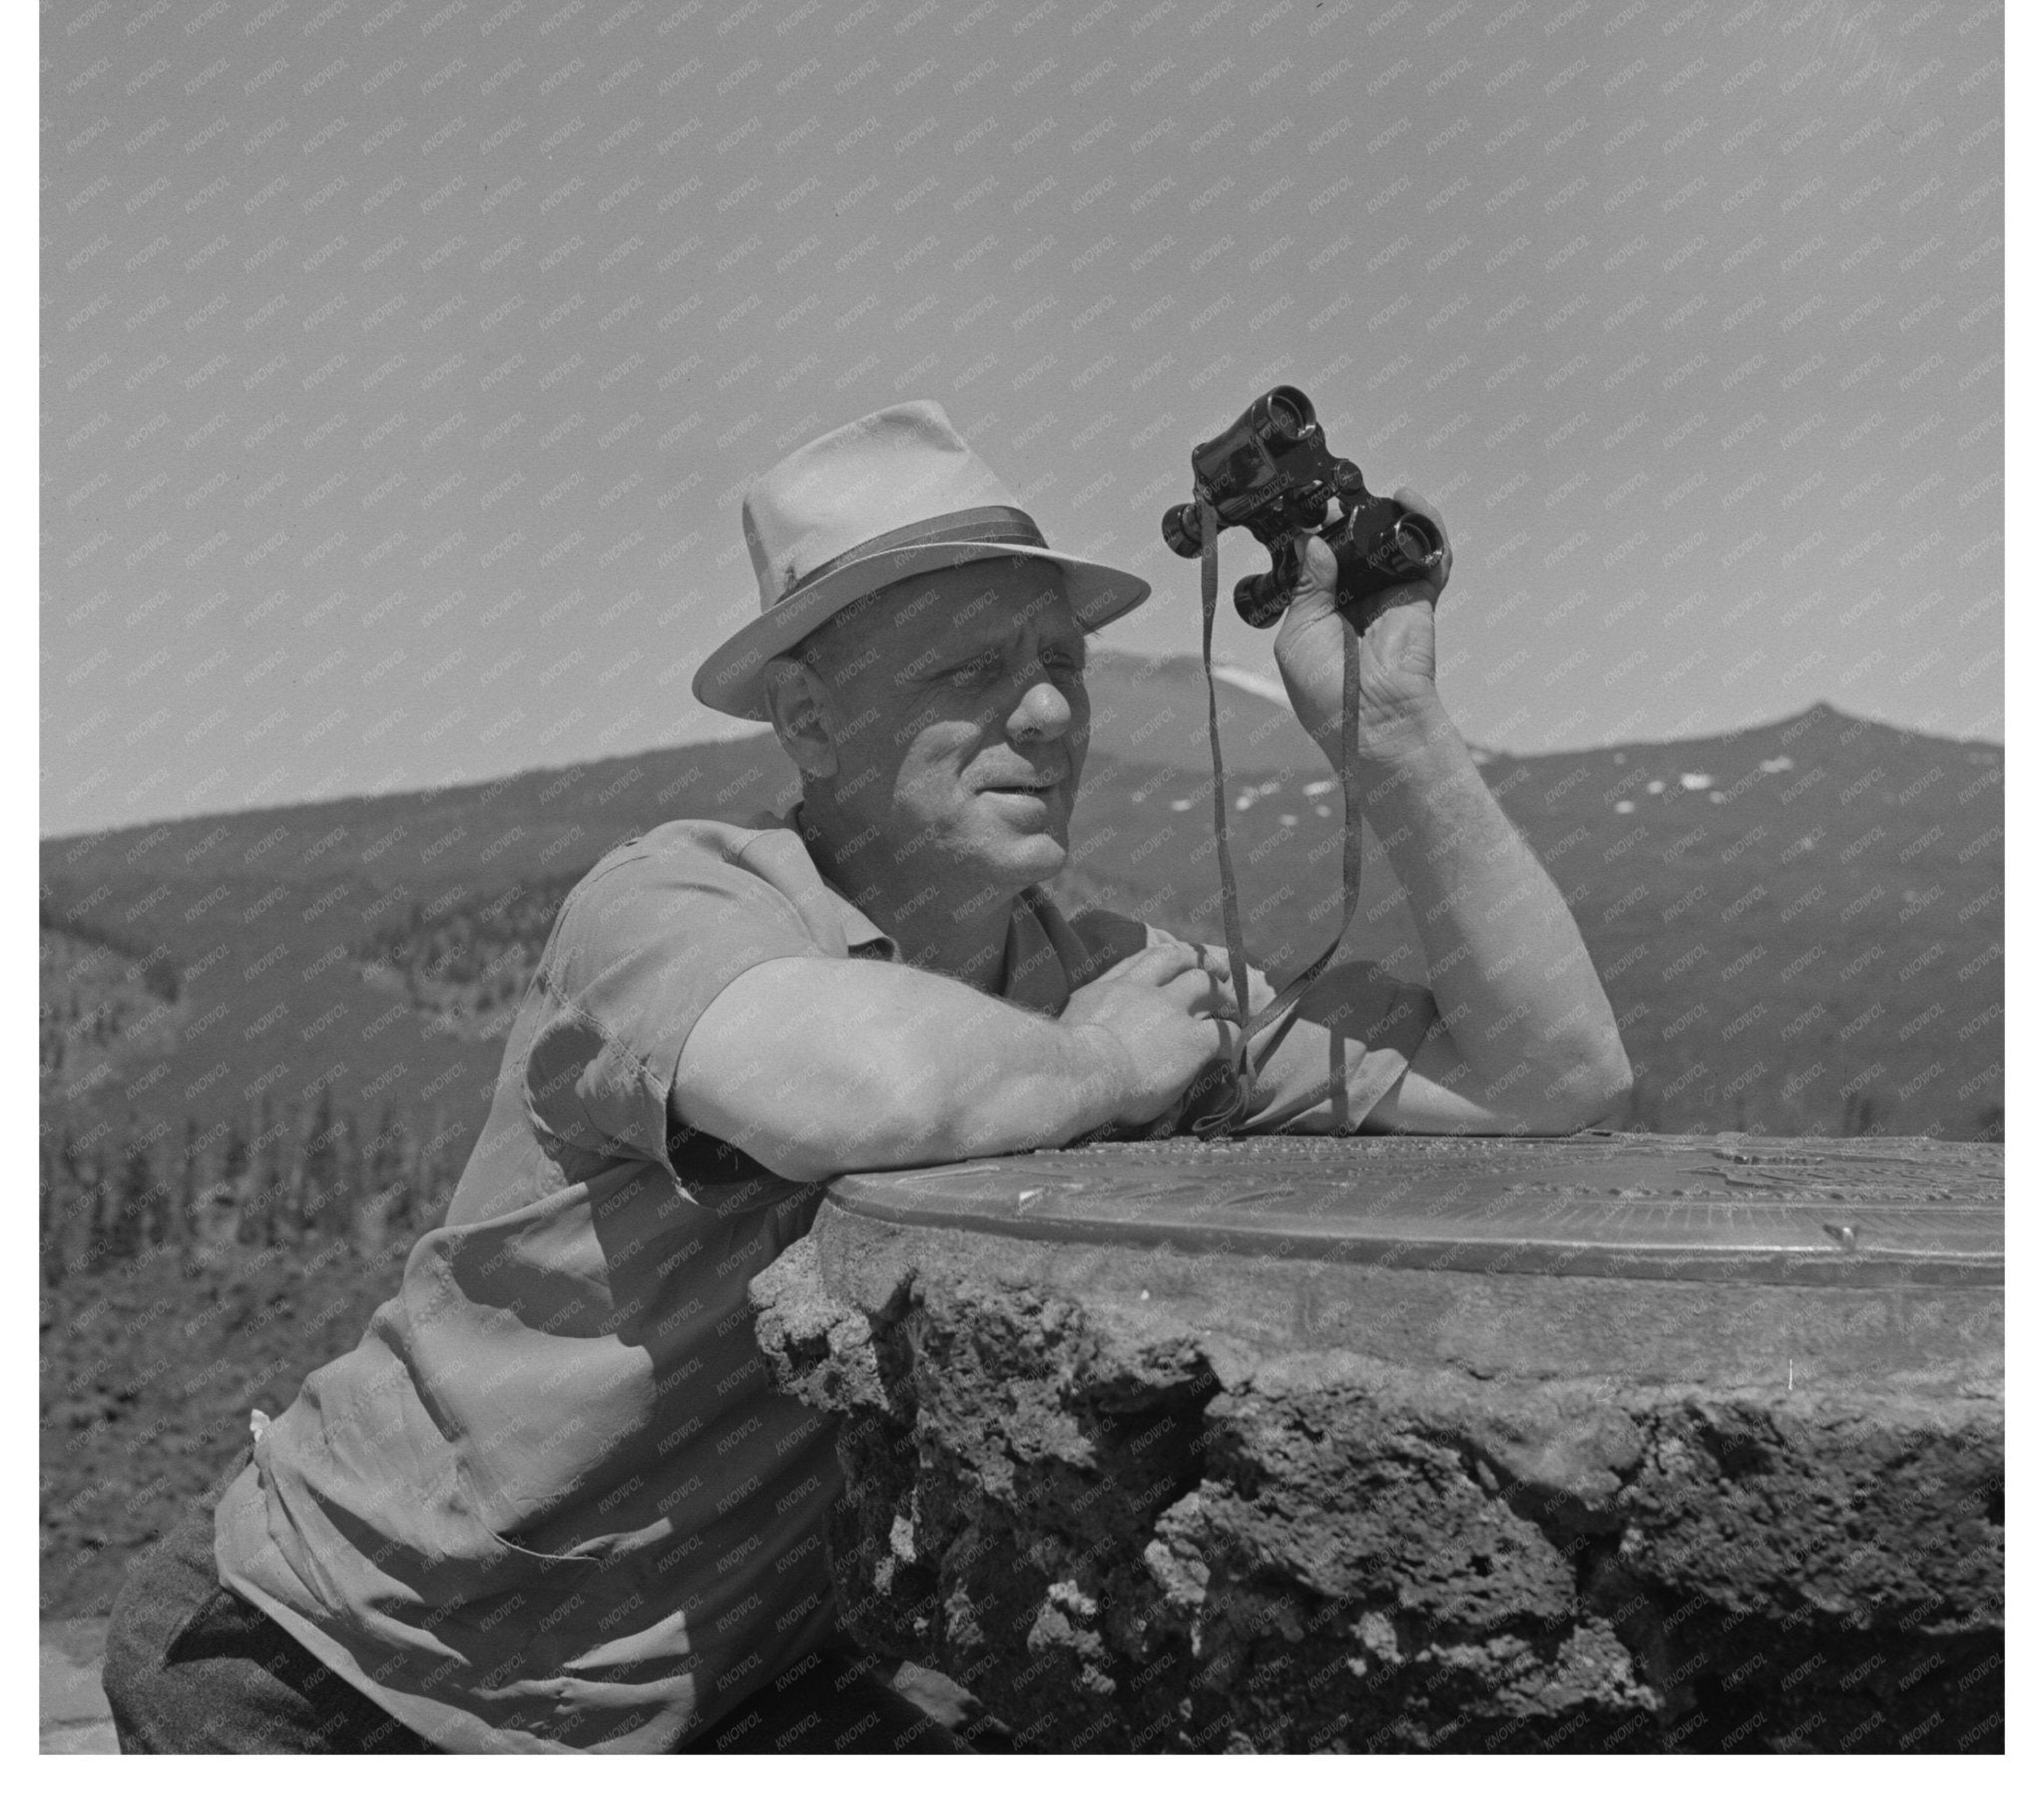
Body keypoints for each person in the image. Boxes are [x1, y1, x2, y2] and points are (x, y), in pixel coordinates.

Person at [103, 400, 1630, 1753]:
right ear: (810, 719)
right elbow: (852, 1094)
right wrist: (1103, 1062)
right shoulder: (681, 905)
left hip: (668, 1701)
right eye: (973, 668)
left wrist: (1401, 735)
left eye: (1061, 664)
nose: (1047, 714)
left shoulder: (1109, 976)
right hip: (325, 1671)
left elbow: (1549, 1077)